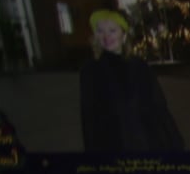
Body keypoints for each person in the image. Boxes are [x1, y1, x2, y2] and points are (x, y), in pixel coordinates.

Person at [79, 8, 184, 154]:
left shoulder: (138, 65)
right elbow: (89, 115)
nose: (106, 36)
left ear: (124, 35)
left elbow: (158, 105)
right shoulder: (90, 70)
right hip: (111, 142)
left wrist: (171, 140)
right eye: (100, 31)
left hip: (144, 140)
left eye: (112, 31)